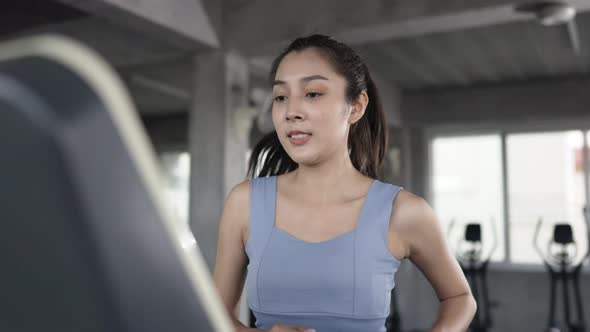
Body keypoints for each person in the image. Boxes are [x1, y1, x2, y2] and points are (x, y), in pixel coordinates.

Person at [213, 34, 476, 332]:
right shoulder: (244, 203)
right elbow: (213, 315)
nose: (291, 111)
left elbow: (460, 297)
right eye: (280, 97)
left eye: (312, 93)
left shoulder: (404, 212)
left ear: (356, 107)